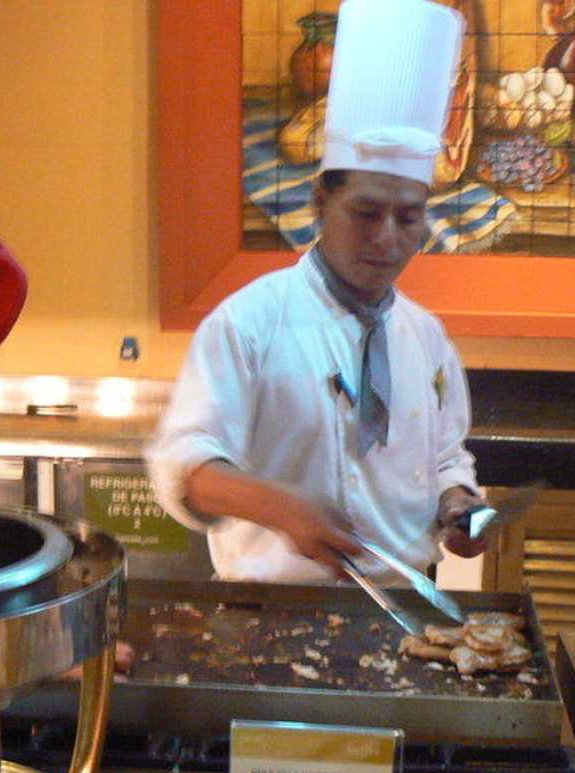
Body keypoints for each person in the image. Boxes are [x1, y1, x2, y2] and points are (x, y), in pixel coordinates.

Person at [146, 0, 485, 583]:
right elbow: (182, 464)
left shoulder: (426, 337)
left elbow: (447, 458)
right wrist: (281, 507)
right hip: (272, 608)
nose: (388, 239)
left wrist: (464, 509)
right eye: (366, 213)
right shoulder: (249, 322)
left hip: (405, 603)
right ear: (321, 203)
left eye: (408, 218)